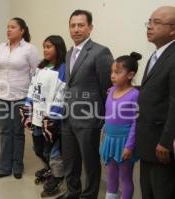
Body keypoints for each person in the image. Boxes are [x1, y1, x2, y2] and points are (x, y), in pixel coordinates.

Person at [58, 10, 114, 199]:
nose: (76, 29)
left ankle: (89, 195)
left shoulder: (100, 52)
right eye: (73, 25)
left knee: (90, 162)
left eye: (81, 25)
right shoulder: (68, 53)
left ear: (90, 28)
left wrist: (104, 119)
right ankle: (72, 192)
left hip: (89, 118)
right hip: (68, 117)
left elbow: (107, 88)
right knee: (70, 160)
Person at [0, 17, 39, 179]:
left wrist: (31, 97)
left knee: (18, 132)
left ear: (22, 30)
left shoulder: (30, 49)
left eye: (13, 27)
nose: (8, 30)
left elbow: (35, 73)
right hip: (2, 96)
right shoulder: (1, 47)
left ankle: (17, 166)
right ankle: (4, 167)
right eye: (7, 27)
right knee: (5, 131)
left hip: (21, 96)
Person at [136, 6, 175, 199]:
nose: (150, 27)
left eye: (157, 23)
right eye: (149, 22)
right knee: (147, 191)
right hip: (147, 141)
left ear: (173, 29)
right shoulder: (156, 55)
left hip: (162, 145)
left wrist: (166, 141)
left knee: (162, 192)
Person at [22, 35, 66, 197]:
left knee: (53, 151)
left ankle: (58, 176)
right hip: (37, 117)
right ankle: (49, 168)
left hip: (51, 119)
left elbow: (61, 94)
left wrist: (52, 116)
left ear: (58, 48)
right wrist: (27, 107)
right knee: (38, 147)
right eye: (44, 46)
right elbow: (33, 88)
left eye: (49, 47)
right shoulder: (41, 67)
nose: (45, 50)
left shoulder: (62, 69)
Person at [100, 52, 141, 199]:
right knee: (111, 176)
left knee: (125, 178)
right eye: (112, 72)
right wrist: (104, 136)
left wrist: (129, 146)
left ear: (130, 75)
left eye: (117, 72)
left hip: (123, 142)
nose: (112, 75)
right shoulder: (110, 91)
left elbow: (135, 123)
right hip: (109, 140)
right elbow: (108, 115)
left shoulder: (135, 95)